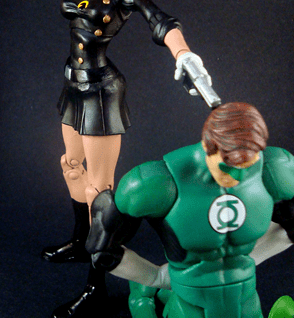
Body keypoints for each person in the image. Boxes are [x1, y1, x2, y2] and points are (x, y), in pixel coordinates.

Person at [0, 0, 213, 317]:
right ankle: (78, 240)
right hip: (73, 85)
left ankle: (96, 284)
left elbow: (161, 21)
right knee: (71, 167)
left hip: (102, 92)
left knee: (98, 194)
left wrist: (185, 55)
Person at [87, 102, 294, 318]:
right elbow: (103, 252)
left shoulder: (274, 170)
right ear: (208, 147)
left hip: (246, 295)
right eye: (228, 166)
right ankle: (143, 297)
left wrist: (246, 263)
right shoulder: (158, 184)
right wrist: (156, 277)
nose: (238, 177)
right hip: (189, 300)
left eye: (247, 166)